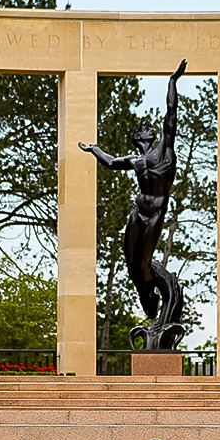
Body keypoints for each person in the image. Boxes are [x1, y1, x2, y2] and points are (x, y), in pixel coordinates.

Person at [80, 58, 188, 350]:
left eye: (146, 128)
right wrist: (94, 150)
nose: (145, 129)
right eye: (140, 129)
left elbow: (171, 113)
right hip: (138, 211)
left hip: (155, 213)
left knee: (143, 263)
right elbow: (112, 162)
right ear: (137, 138)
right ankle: (148, 298)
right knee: (130, 260)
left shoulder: (164, 148)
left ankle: (155, 304)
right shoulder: (136, 160)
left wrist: (172, 82)